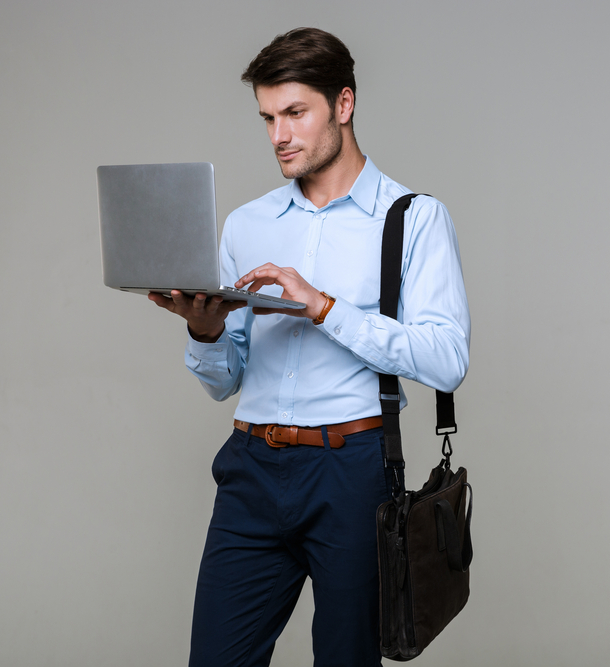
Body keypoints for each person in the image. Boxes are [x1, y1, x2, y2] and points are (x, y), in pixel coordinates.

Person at [148, 27, 470, 667]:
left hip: (352, 472)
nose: (279, 136)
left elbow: (446, 360)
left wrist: (324, 308)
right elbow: (223, 379)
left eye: (295, 113)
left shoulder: (412, 218)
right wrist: (204, 329)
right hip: (250, 467)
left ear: (343, 105)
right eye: (268, 117)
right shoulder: (247, 223)